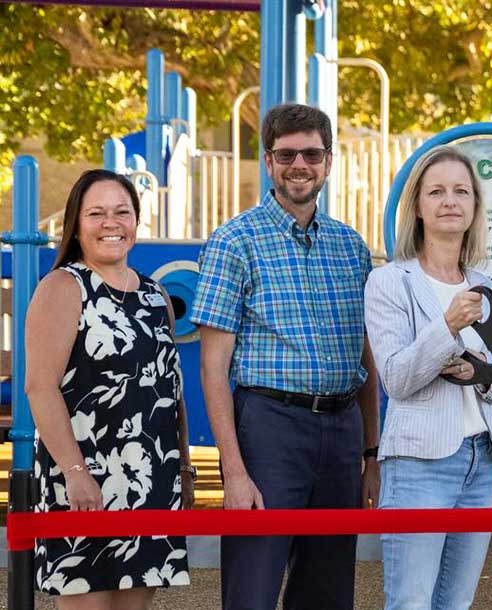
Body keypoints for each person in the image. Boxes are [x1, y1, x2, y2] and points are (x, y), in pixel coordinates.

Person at [190, 103, 380, 610]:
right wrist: (232, 469)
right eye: (288, 154)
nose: (301, 165)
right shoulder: (234, 242)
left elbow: (366, 356)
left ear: (329, 161)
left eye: (312, 154)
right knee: (253, 587)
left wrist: (371, 453)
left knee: (328, 590)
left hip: (342, 431)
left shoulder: (352, 247)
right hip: (268, 428)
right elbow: (212, 366)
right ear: (269, 162)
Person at [25, 169, 193, 608]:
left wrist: (185, 469)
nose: (111, 223)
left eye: (122, 212)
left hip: (151, 478)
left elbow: (170, 392)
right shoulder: (63, 287)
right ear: (76, 227)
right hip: (84, 483)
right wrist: (76, 475)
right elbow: (40, 388)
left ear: (137, 222)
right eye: (96, 213)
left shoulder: (156, 296)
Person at [363, 145, 492, 610]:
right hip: (418, 464)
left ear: (474, 207)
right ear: (419, 207)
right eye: (437, 191)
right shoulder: (391, 282)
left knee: (456, 604)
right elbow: (395, 379)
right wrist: (447, 327)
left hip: (480, 460)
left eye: (461, 191)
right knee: (410, 603)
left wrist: (477, 374)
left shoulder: (487, 285)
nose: (450, 200)